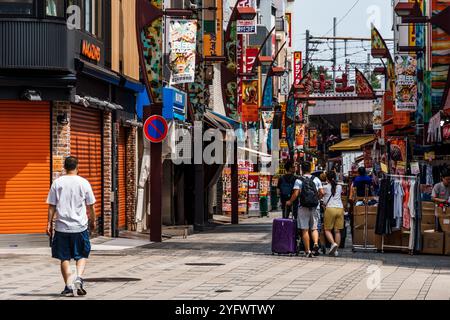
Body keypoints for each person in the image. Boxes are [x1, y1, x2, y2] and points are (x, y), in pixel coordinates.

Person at [47, 156, 96, 297]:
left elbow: (51, 206)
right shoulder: (83, 182)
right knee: (81, 254)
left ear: (64, 167)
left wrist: (48, 223)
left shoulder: (57, 183)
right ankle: (79, 278)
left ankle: (68, 286)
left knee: (64, 258)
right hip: (79, 227)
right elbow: (91, 205)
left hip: (61, 227)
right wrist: (92, 221)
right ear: (77, 166)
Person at [287, 162, 324, 258]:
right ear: (311, 169)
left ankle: (308, 251)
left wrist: (290, 202)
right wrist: (317, 199)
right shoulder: (316, 179)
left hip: (302, 207)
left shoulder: (299, 180)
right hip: (315, 206)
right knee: (314, 228)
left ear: (301, 169)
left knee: (304, 229)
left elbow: (295, 194)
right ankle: (315, 243)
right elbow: (322, 192)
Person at [322, 171, 345, 257]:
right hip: (340, 209)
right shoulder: (339, 186)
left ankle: (333, 243)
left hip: (330, 209)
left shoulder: (325, 187)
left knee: (327, 229)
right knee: (337, 231)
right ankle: (336, 251)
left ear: (327, 178)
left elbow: (322, 197)